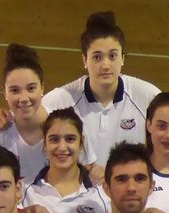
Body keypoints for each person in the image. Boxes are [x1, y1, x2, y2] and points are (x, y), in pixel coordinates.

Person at [39, 11, 160, 170]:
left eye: (112, 56)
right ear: (84, 60)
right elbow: (27, 118)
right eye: (97, 57)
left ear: (123, 58)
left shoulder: (148, 96)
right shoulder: (61, 100)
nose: (105, 65)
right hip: (80, 192)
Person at [0, 43, 94, 183]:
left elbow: (89, 173)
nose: (23, 98)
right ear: (4, 92)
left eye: (31, 88)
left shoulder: (70, 128)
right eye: (15, 90)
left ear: (42, 88)